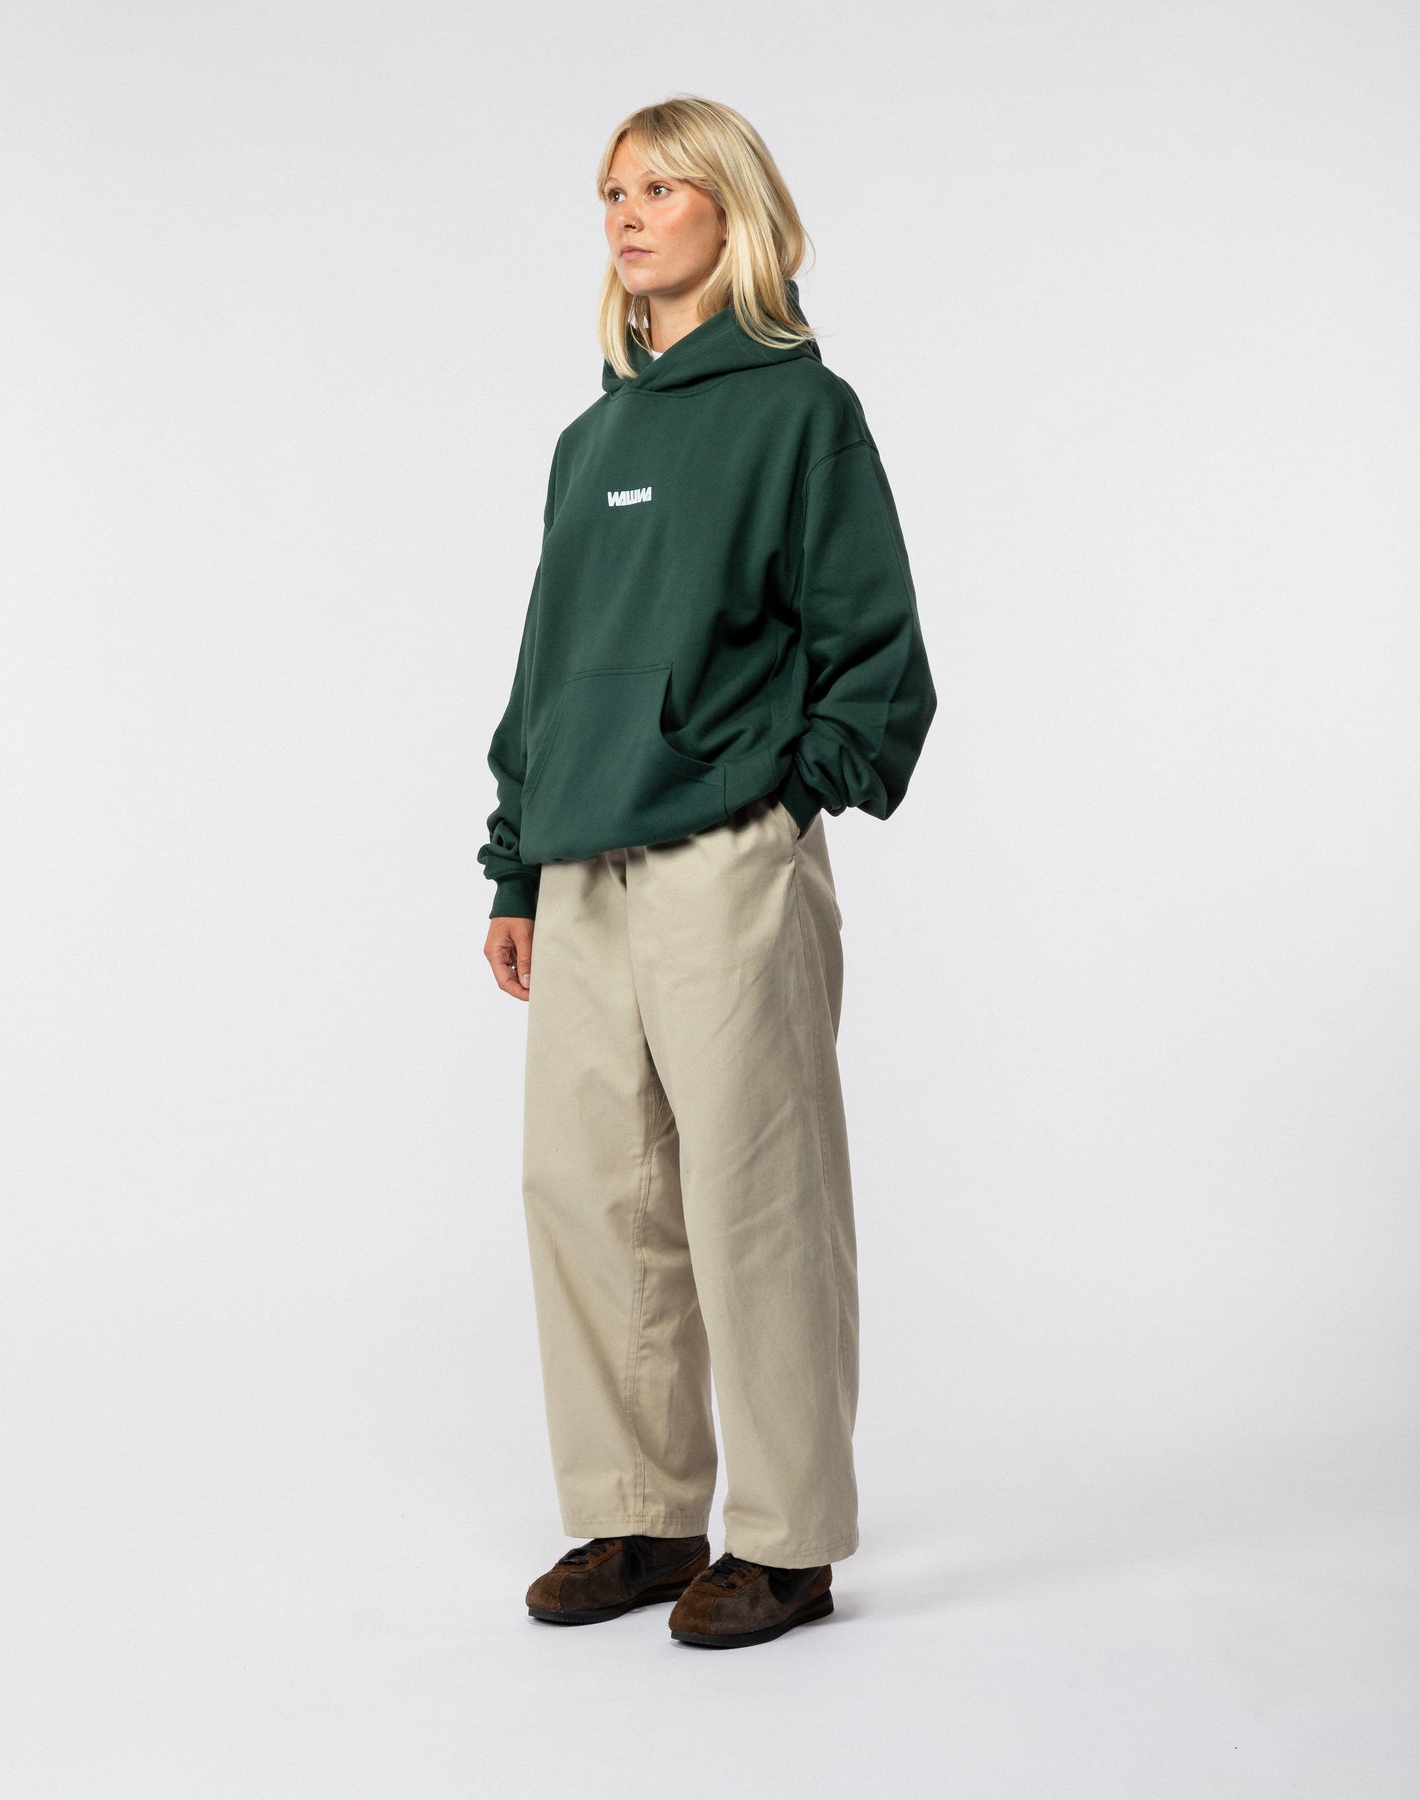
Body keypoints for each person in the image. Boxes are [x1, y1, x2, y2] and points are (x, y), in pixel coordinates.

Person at [478, 95, 937, 1650]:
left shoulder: (802, 413)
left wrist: (786, 798)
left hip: (726, 854)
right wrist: (513, 865)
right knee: (590, 1193)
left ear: (731, 212)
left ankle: (787, 1543)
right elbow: (548, 668)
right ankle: (642, 1514)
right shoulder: (590, 439)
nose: (626, 213)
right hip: (581, 863)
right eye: (612, 190)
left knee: (755, 1194)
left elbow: (876, 652)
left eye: (661, 188)